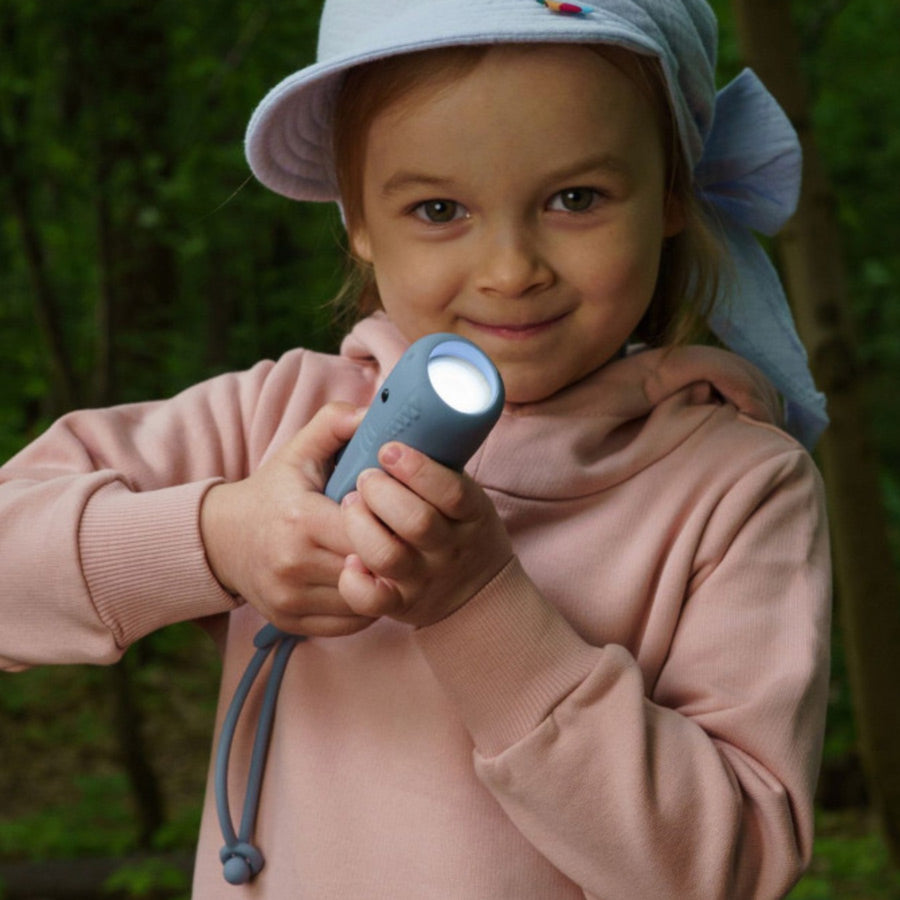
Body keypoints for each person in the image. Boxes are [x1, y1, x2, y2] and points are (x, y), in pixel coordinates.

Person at [0, 0, 832, 896]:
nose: (511, 268)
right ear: (356, 218)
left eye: (575, 199)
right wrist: (218, 539)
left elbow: (733, 866)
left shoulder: (736, 487)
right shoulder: (280, 423)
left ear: (670, 193)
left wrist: (477, 607)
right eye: (439, 208)